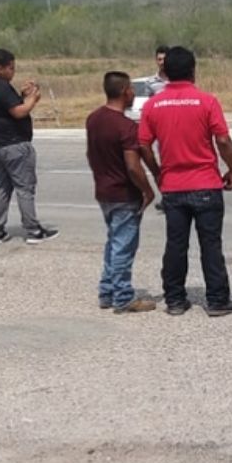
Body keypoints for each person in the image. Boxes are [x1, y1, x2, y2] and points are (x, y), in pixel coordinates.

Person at [137, 46, 232, 317]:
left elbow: (143, 145)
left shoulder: (153, 105)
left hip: (173, 186)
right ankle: (218, 300)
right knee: (210, 244)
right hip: (206, 183)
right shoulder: (207, 101)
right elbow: (222, 140)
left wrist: (157, 172)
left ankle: (175, 300)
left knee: (175, 244)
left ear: (166, 72)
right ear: (193, 70)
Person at [85, 71, 158, 314]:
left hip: (103, 190)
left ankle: (107, 291)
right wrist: (147, 190)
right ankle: (123, 296)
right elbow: (133, 165)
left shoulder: (93, 119)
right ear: (124, 90)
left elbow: (91, 154)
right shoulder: (126, 127)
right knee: (124, 246)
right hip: (124, 193)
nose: (132, 94)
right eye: (130, 89)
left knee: (113, 242)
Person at [0, 48, 59, 245]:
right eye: (10, 68)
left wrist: (23, 95)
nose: (13, 72)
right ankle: (33, 230)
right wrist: (33, 99)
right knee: (25, 188)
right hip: (13, 145)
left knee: (2, 187)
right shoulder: (0, 86)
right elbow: (18, 112)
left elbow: (8, 107)